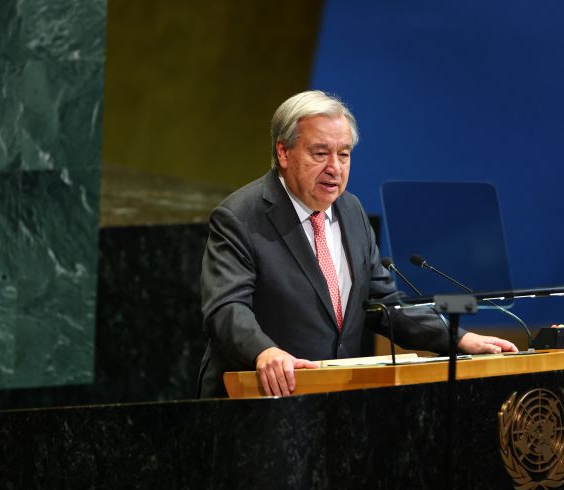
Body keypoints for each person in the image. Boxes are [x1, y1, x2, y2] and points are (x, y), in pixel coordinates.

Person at [198, 90, 516, 398]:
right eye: (320, 153)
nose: (335, 168)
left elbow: (385, 306)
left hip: (335, 400)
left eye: (344, 154)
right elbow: (226, 308)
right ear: (283, 152)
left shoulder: (351, 211)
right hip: (256, 400)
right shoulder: (240, 216)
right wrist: (264, 351)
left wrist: (459, 339)